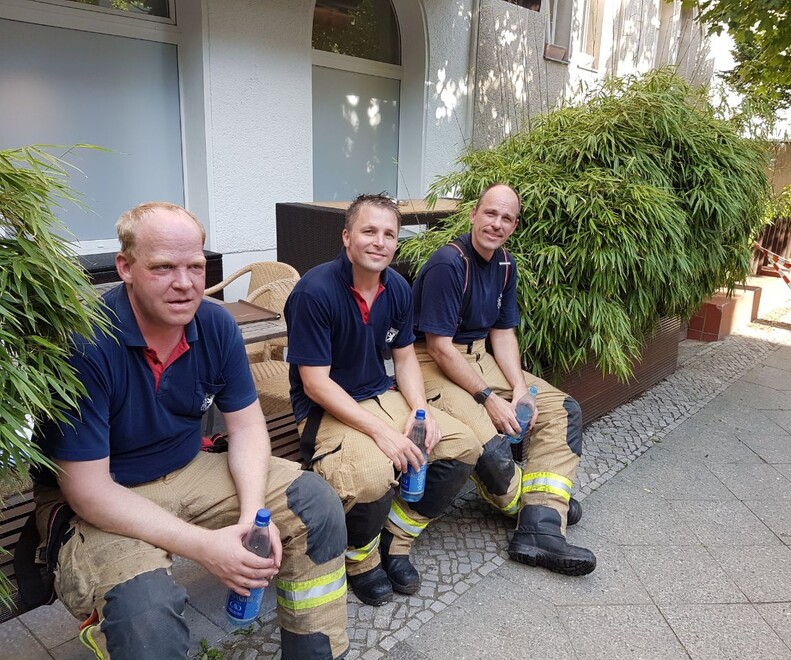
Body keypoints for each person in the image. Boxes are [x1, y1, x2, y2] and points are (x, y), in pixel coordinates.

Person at [32, 202, 349, 660]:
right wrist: (206, 548)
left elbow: (246, 430)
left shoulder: (215, 324)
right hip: (106, 496)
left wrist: (251, 517)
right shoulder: (86, 343)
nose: (184, 284)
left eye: (195, 267)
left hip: (189, 467)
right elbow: (88, 492)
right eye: (163, 267)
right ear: (125, 267)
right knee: (146, 611)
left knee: (315, 504)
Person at [284, 194, 481, 606]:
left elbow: (406, 356)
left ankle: (397, 536)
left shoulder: (398, 288)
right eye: (369, 231)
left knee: (463, 445)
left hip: (379, 394)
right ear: (347, 237)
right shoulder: (314, 291)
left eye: (389, 234)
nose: (379, 241)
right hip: (326, 408)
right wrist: (382, 433)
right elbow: (316, 384)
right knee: (374, 473)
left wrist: (420, 409)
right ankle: (360, 560)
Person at [410, 183, 597, 576]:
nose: (496, 224)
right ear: (473, 215)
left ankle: (540, 526)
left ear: (514, 226)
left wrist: (517, 388)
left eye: (506, 218)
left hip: (481, 356)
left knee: (562, 409)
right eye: (490, 214)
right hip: (432, 362)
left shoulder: (505, 265)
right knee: (489, 442)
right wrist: (488, 400)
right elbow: (440, 347)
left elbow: (503, 333)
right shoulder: (449, 263)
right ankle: (538, 508)